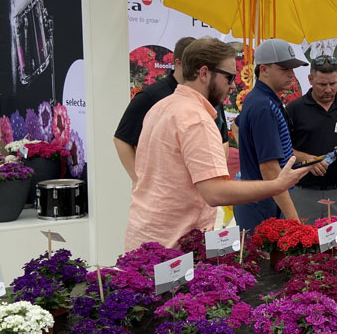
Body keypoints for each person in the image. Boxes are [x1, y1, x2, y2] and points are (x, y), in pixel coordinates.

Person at [124, 37, 308, 251]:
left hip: (145, 238)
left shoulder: (162, 107)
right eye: (229, 78)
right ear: (204, 73)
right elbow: (215, 193)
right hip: (173, 247)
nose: (233, 86)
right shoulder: (196, 119)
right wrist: (277, 185)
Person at [113, 37, 231, 185]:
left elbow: (223, 139)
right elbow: (122, 139)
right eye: (194, 64)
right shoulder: (152, 96)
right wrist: (141, 180)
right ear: (179, 63)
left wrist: (213, 174)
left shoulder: (212, 94)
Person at [234, 38, 308, 232]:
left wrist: (249, 154)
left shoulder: (258, 98)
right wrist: (295, 223)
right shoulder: (263, 106)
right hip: (263, 202)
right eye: (284, 69)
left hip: (260, 198)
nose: (292, 74)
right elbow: (269, 170)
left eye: (292, 69)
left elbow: (236, 126)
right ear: (264, 70)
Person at [286, 55, 337, 222]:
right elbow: (283, 149)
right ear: (310, 80)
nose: (328, 90)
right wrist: (309, 161)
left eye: (333, 83)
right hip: (303, 192)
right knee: (303, 237)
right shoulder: (294, 110)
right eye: (322, 84)